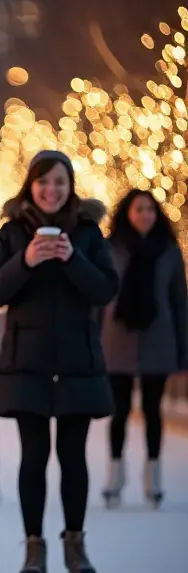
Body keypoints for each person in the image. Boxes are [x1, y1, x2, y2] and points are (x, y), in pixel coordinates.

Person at [0, 150, 118, 573]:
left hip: (77, 361)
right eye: (43, 182)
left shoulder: (89, 232)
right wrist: (28, 260)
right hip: (28, 362)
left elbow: (105, 288)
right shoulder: (12, 233)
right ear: (30, 186)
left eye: (59, 182)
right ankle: (34, 548)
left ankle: (75, 545)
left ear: (70, 185)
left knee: (74, 457)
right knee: (34, 457)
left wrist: (73, 257)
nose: (51, 190)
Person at [100, 189, 187, 508]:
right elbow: (100, 296)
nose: (144, 215)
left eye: (150, 209)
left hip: (158, 337)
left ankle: (153, 476)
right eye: (138, 209)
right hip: (117, 337)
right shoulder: (111, 248)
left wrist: (182, 349)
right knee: (118, 411)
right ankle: (115, 475)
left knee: (153, 411)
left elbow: (180, 301)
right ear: (127, 213)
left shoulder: (168, 251)